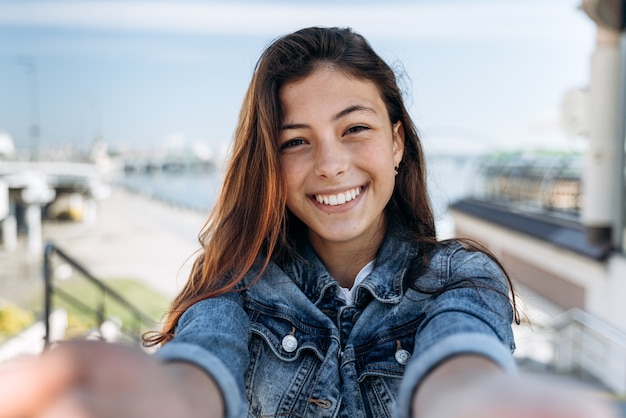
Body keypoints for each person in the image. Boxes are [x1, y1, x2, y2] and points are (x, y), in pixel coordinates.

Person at [0, 26, 618, 418]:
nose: (330, 165)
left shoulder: (461, 275)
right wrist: (163, 396)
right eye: (296, 141)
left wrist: (481, 400)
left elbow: (462, 362)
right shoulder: (238, 285)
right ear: (268, 163)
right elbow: (201, 365)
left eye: (355, 129)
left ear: (397, 143)